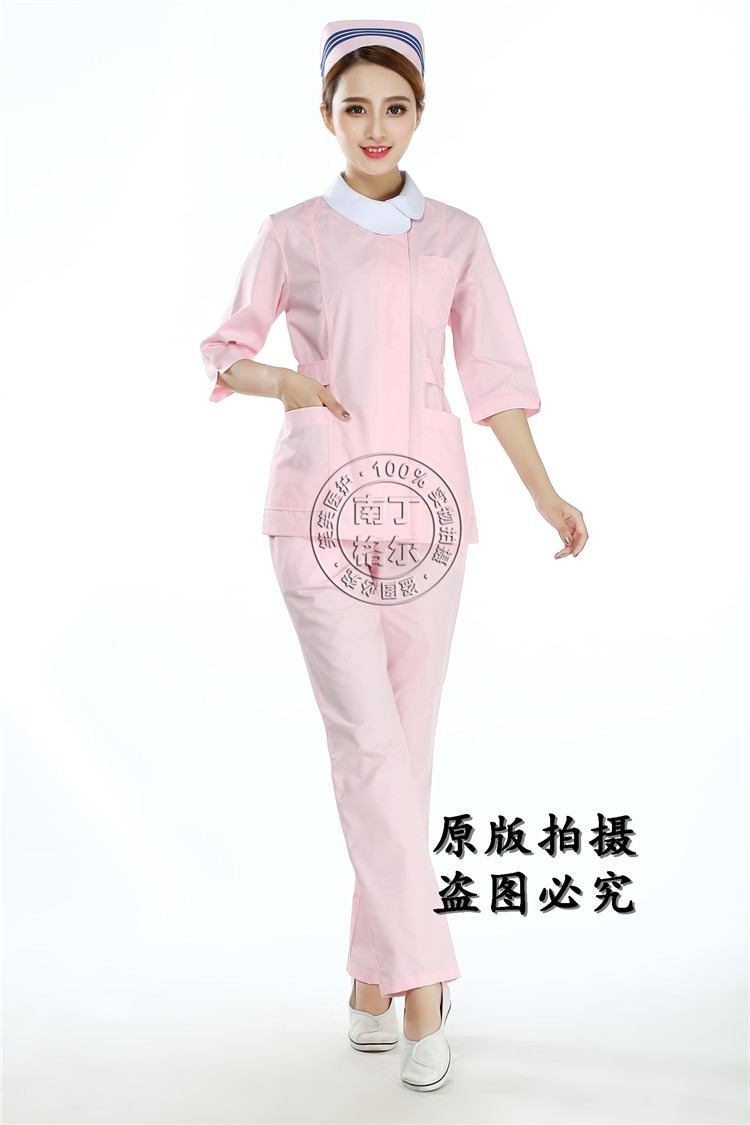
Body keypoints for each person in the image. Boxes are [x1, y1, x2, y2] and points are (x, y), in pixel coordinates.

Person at [199, 17, 588, 1093]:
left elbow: (495, 378)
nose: (375, 126)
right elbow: (224, 349)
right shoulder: (289, 233)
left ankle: (372, 977)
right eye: (355, 106)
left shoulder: (458, 236)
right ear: (326, 115)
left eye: (395, 107)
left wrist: (546, 494)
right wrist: (287, 381)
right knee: (369, 744)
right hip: (318, 515)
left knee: (405, 756)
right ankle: (426, 987)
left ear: (420, 114)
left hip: (428, 520)